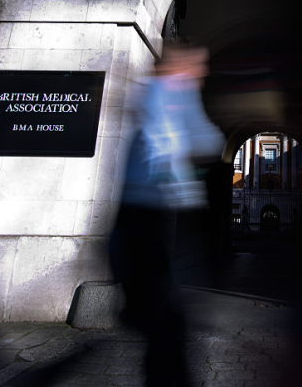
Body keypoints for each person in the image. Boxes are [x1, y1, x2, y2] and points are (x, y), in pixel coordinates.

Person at [110, 43, 224, 387]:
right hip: (153, 209)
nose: (203, 73)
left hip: (147, 210)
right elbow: (184, 139)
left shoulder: (167, 92)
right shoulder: (169, 90)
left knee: (164, 316)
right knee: (168, 318)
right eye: (198, 65)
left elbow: (203, 137)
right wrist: (178, 171)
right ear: (181, 65)